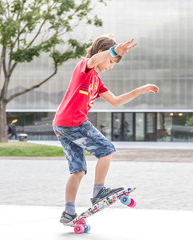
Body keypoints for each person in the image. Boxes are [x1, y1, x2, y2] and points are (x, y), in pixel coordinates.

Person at [52, 35, 159, 224]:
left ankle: (68, 212)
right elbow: (94, 60)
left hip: (62, 124)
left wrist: (139, 90)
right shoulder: (84, 68)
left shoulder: (97, 81)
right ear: (102, 54)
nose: (110, 66)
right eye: (111, 62)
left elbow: (116, 101)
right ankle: (99, 191)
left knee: (77, 170)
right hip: (73, 122)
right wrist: (113, 51)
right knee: (106, 149)